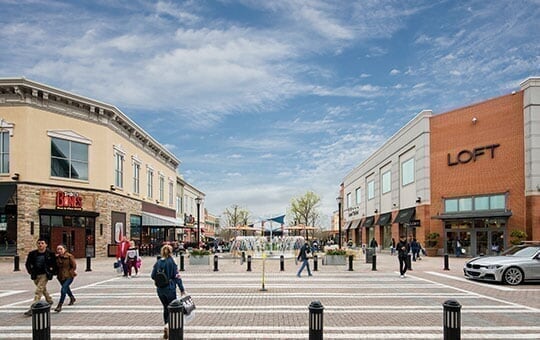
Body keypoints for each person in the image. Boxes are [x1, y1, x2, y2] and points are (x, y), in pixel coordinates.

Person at [151, 244, 179, 339]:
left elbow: (152, 275)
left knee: (165, 307)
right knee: (173, 308)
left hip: (160, 289)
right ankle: (168, 325)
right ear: (171, 252)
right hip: (170, 288)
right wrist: (182, 289)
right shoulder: (172, 262)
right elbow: (176, 276)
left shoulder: (158, 262)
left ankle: (166, 323)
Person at [24, 238, 58, 316]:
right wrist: (30, 271)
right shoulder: (32, 254)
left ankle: (33, 308)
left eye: (42, 243)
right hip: (35, 274)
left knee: (38, 291)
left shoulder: (50, 254)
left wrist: (51, 272)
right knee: (42, 289)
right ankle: (49, 300)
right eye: (39, 243)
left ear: (46, 245)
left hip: (45, 274)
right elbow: (28, 264)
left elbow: (54, 264)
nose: (40, 245)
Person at [54, 244, 77, 312]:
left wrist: (71, 272)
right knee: (66, 288)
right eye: (58, 249)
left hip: (69, 276)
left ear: (65, 249)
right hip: (60, 276)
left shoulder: (69, 256)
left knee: (63, 289)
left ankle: (59, 305)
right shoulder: (56, 257)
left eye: (61, 249)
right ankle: (72, 297)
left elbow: (74, 265)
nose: (59, 250)